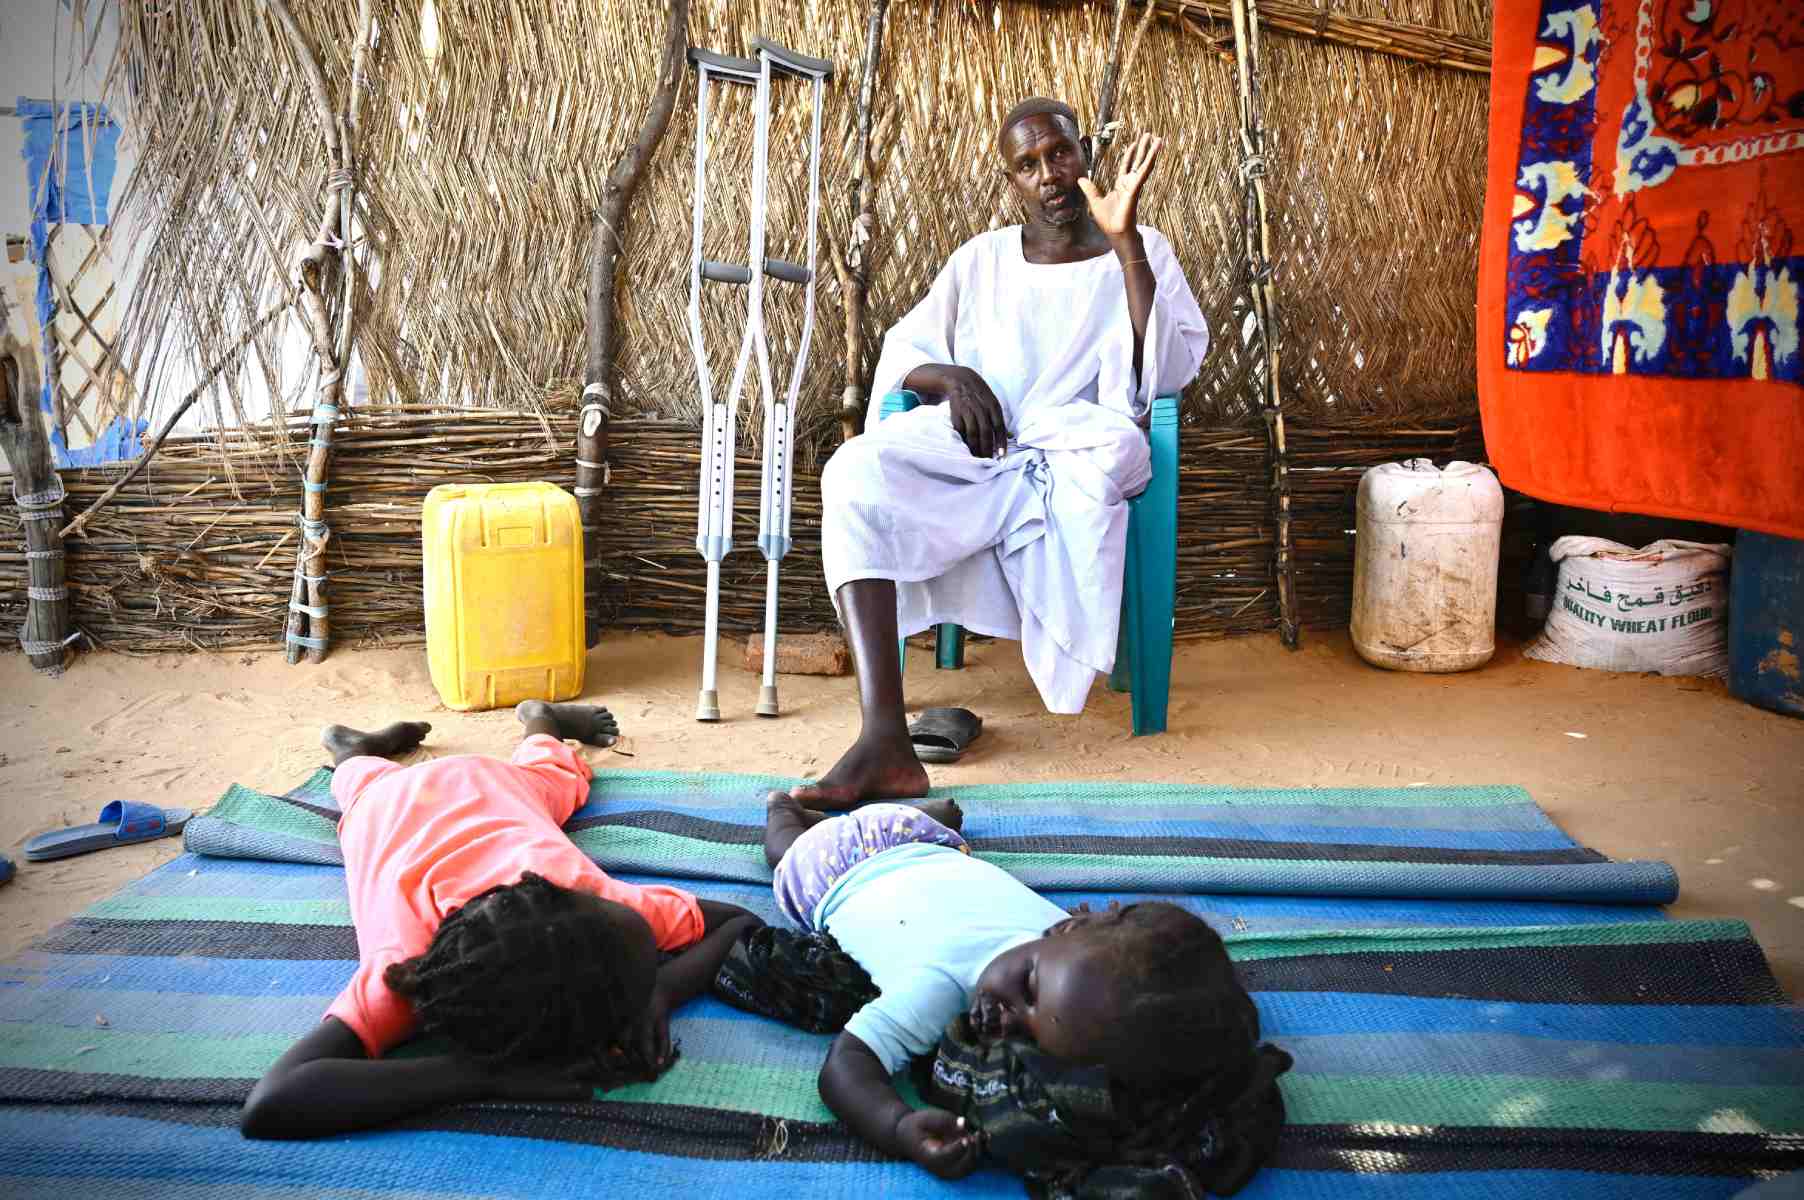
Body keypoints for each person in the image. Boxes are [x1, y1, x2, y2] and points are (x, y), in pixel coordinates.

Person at [797, 97, 1210, 809]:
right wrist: (951, 377)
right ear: (1011, 181)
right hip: (981, 447)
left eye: (1060, 153)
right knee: (857, 471)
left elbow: (1159, 376)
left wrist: (1127, 243)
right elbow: (907, 355)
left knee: (1106, 458)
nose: (1049, 173)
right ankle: (884, 735)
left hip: (1080, 447)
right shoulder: (980, 261)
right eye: (1028, 164)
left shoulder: (1146, 248)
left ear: (1085, 153)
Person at [240, 701, 759, 1139]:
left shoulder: (589, 900)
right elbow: (270, 1104)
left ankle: (541, 718)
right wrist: (483, 1076)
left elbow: (737, 922)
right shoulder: (406, 971)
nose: (636, 914)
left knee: (550, 778)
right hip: (393, 804)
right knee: (384, 789)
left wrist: (660, 991)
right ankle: (353, 750)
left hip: (475, 790)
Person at [761, 792, 1263, 1181]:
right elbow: (844, 1068)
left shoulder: (1072, 947)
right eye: (1027, 985)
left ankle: (883, 812)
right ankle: (782, 806)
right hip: (835, 868)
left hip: (922, 844)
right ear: (1065, 928)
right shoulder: (939, 985)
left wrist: (900, 1125)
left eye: (1026, 1034)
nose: (1005, 1015)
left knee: (854, 828)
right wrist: (891, 1126)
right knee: (782, 848)